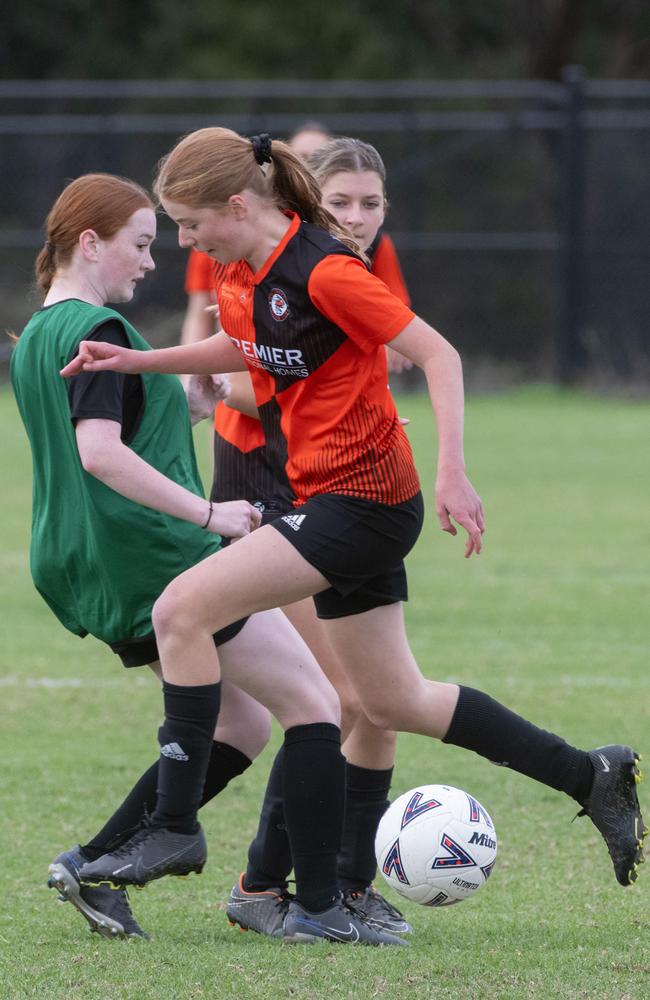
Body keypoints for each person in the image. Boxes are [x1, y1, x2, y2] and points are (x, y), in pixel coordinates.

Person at [62, 130, 644, 945]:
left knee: (182, 608)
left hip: (364, 502)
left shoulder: (329, 269)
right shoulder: (241, 271)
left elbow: (438, 354)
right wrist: (136, 364)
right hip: (336, 500)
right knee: (390, 700)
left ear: (236, 205)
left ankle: (175, 826)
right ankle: (592, 775)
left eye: (192, 225)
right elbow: (246, 348)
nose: (186, 243)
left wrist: (453, 471)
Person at [13, 173, 403, 947]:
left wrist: (185, 402)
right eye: (141, 242)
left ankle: (93, 863)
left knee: (242, 724)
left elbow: (109, 425)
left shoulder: (37, 334)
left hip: (84, 561)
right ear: (89, 242)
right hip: (152, 555)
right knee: (316, 705)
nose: (153, 261)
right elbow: (99, 454)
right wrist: (210, 512)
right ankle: (316, 905)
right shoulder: (103, 329)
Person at [181, 138, 417, 939]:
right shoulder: (255, 254)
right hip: (264, 479)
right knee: (336, 701)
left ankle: (348, 887)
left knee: (375, 704)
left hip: (346, 486)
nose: (357, 217)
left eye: (372, 204)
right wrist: (187, 381)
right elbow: (260, 371)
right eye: (343, 201)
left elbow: (353, 367)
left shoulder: (353, 264)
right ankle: (264, 885)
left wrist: (372, 420)